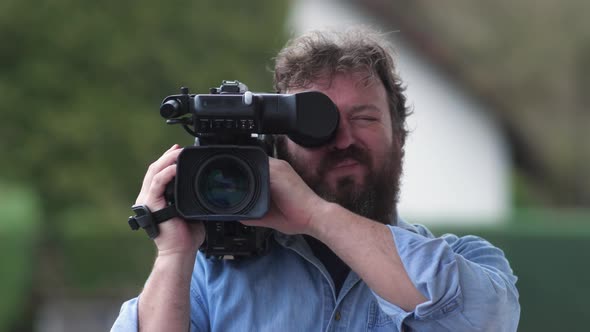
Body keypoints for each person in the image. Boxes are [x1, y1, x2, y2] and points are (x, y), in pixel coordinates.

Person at [112, 27, 520, 331]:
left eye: (364, 118)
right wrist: (174, 256)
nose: (343, 139)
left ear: (400, 135)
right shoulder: (207, 276)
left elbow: (483, 319)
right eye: (316, 125)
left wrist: (316, 216)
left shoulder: (468, 260)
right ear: (281, 144)